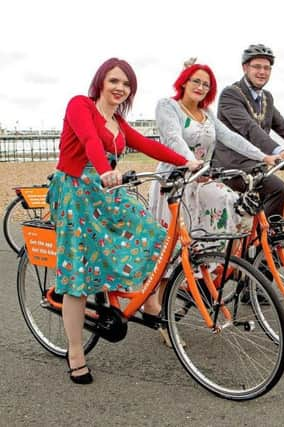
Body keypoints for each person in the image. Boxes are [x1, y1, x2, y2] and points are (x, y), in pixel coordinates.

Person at [47, 58, 202, 384]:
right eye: (115, 81)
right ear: (101, 81)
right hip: (77, 190)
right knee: (78, 271)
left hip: (107, 190)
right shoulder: (81, 105)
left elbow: (147, 145)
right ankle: (75, 351)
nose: (120, 88)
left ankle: (149, 303)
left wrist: (187, 162)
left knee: (156, 236)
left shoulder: (118, 121)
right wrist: (105, 170)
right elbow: (90, 141)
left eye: (127, 84)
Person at [146, 60, 279, 344]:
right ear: (183, 81)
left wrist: (263, 156)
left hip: (200, 182)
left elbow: (231, 138)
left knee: (226, 213)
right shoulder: (168, 106)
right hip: (174, 185)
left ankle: (195, 283)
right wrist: (189, 162)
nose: (201, 87)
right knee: (169, 252)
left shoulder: (206, 113)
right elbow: (171, 138)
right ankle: (156, 309)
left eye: (206, 84)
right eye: (196, 81)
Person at [212, 44, 284, 219]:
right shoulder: (231, 94)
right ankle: (267, 240)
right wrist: (280, 151)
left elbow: (283, 126)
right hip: (232, 166)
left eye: (267, 68)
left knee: (262, 208)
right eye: (257, 67)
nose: (262, 72)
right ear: (245, 68)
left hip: (256, 165)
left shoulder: (266, 97)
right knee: (278, 189)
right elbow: (249, 128)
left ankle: (262, 240)